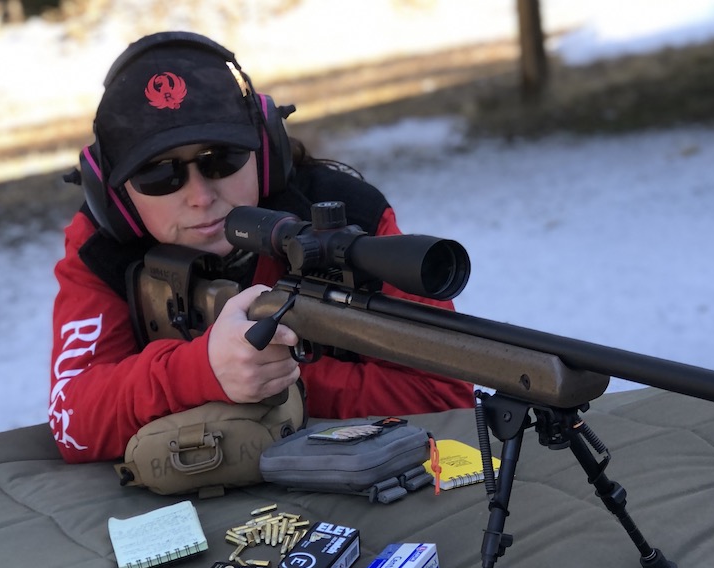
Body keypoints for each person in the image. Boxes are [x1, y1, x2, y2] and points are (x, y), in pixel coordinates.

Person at [49, 30, 474, 463]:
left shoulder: (352, 220)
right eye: (158, 176)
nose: (199, 196)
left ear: (266, 150)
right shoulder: (101, 250)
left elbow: (446, 393)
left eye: (223, 159)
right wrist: (200, 370)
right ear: (114, 196)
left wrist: (285, 377)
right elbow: (71, 421)